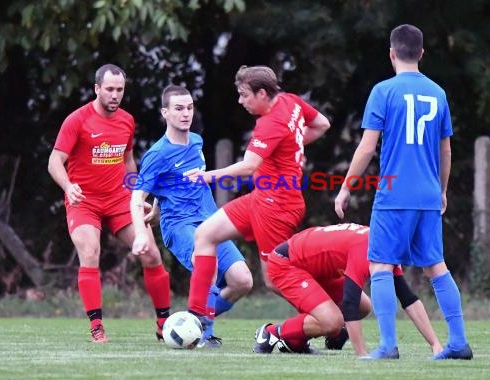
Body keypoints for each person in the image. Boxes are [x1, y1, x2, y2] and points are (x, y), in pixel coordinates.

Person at [335, 24, 472, 360]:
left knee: (380, 265)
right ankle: (457, 342)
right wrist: (441, 191)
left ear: (392, 53)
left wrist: (345, 187)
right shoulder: (438, 93)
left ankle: (387, 346)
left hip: (394, 195)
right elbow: (447, 151)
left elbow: (367, 148)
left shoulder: (383, 91)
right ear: (422, 54)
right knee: (436, 266)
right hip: (427, 194)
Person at [185, 65, 331, 327]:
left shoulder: (270, 123)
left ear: (262, 93)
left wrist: (208, 176)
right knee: (205, 234)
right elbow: (322, 124)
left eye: (244, 95)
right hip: (260, 198)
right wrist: (292, 147)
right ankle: (198, 317)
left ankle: (330, 313)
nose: (240, 101)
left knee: (276, 279)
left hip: (277, 207)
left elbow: (249, 166)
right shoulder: (292, 101)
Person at [48, 64, 171, 343]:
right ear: (97, 89)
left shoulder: (127, 120)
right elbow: (54, 161)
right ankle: (97, 327)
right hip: (84, 201)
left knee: (151, 253)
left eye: (120, 90)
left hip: (119, 200)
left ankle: (165, 324)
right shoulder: (77, 120)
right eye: (110, 89)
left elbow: (128, 161)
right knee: (90, 252)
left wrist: (139, 198)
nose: (115, 95)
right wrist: (69, 186)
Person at [130, 85, 253, 348]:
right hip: (180, 226)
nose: (185, 113)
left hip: (209, 221)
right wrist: (142, 232)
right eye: (178, 108)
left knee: (242, 280)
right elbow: (136, 197)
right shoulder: (157, 154)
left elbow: (173, 186)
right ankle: (203, 336)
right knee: (203, 261)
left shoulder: (196, 141)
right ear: (165, 112)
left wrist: (156, 208)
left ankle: (188, 324)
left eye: (189, 107)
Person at [253, 223, 443, 356]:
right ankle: (272, 332)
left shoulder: (385, 245)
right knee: (333, 321)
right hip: (287, 263)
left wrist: (435, 344)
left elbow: (407, 298)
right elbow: (349, 302)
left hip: (316, 268)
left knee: (364, 306)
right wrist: (363, 355)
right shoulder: (366, 250)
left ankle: (297, 341)